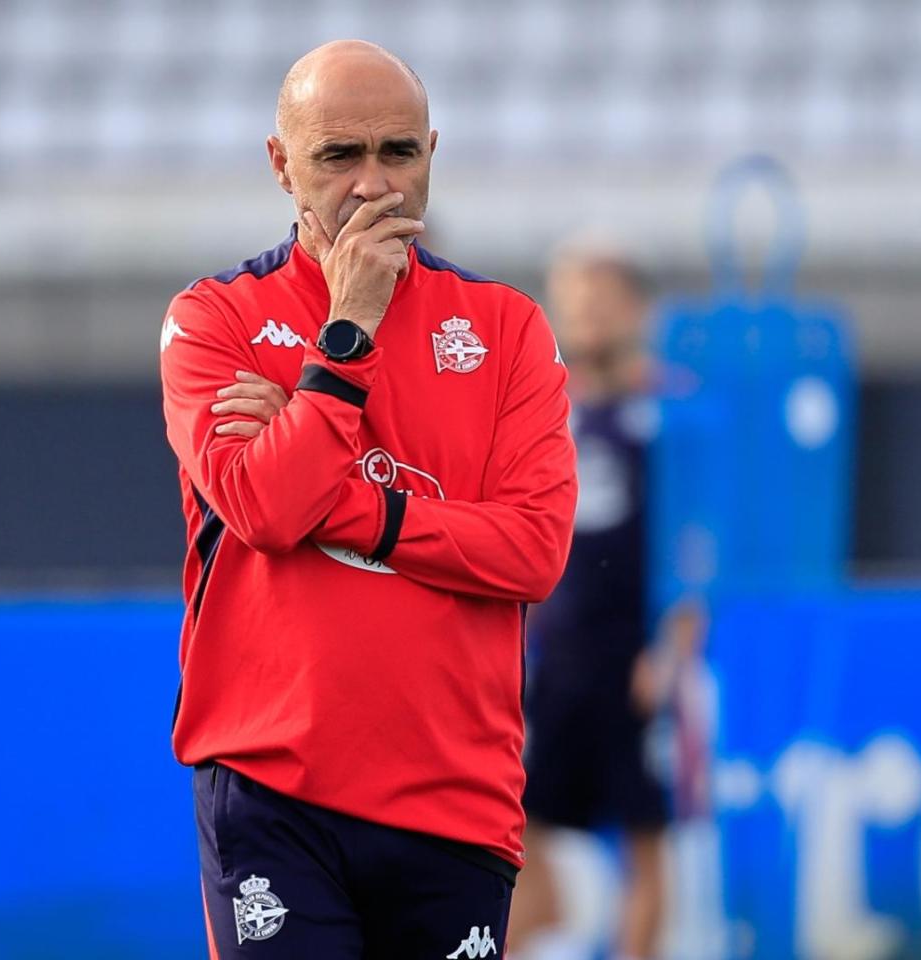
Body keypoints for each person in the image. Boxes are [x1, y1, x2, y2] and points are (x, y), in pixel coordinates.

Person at [157, 40, 577, 959]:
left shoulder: (506, 329)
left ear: (433, 151)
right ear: (282, 165)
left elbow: (533, 550)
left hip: (452, 796)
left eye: (399, 152)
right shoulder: (213, 321)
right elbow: (263, 510)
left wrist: (333, 495)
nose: (374, 183)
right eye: (338, 156)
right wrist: (346, 338)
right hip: (274, 787)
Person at [508, 242, 689, 960]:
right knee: (516, 821)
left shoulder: (675, 411)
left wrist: (675, 648)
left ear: (638, 309)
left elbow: (698, 543)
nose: (584, 315)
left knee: (645, 837)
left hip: (635, 656)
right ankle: (537, 917)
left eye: (600, 299)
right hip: (558, 655)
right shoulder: (548, 409)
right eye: (573, 300)